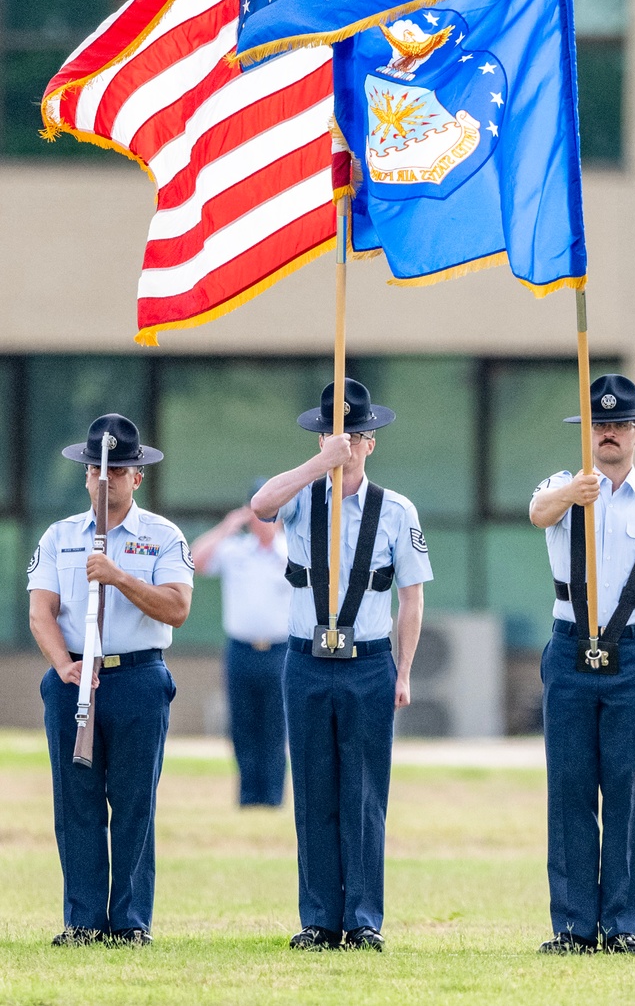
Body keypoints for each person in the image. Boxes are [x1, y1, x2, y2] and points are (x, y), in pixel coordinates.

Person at [251, 377, 430, 953]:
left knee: (364, 793)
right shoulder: (304, 497)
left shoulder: (397, 511)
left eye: (355, 434)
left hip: (368, 662)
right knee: (313, 792)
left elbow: (411, 597)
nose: (346, 443)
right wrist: (314, 465)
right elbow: (260, 505)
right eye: (335, 432)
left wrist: (404, 672)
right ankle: (318, 919)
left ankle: (363, 919)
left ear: (370, 442)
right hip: (305, 660)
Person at [529, 374, 635, 955]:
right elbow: (536, 514)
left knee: (630, 789)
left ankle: (623, 926)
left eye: (619, 425)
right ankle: (574, 926)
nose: (608, 434)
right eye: (598, 425)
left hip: (634, 654)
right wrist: (572, 495)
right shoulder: (563, 485)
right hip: (571, 647)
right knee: (569, 788)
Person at [27, 413, 193, 947]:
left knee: (132, 802)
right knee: (75, 802)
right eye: (99, 471)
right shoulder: (60, 537)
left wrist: (119, 576)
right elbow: (41, 612)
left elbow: (177, 608)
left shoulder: (161, 536)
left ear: (136, 477)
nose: (107, 479)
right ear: (85, 476)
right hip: (74, 676)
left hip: (138, 679)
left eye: (119, 471)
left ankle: (129, 922)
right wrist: (62, 665)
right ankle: (82, 922)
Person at [191, 490, 291, 807]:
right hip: (241, 649)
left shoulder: (290, 552)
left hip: (280, 651)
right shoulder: (235, 551)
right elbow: (194, 561)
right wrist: (227, 527)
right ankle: (248, 796)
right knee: (242, 725)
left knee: (276, 727)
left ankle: (273, 796)